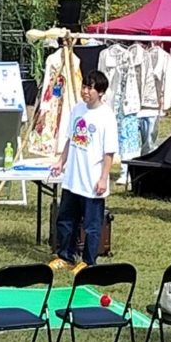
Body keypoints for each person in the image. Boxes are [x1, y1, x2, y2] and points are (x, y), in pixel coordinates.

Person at [49, 70, 118, 275]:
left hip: (92, 180)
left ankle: (88, 261)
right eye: (84, 87)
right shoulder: (78, 109)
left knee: (91, 225)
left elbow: (109, 151)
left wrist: (103, 178)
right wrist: (61, 162)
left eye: (90, 88)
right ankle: (65, 256)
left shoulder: (106, 116)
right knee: (66, 220)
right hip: (73, 179)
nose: (85, 92)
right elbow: (70, 139)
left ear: (101, 92)